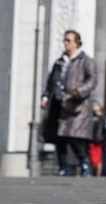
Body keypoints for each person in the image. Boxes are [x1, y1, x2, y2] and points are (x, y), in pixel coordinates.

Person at [41, 30, 96, 175]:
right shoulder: (60, 62)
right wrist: (46, 97)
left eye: (68, 40)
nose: (65, 43)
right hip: (59, 102)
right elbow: (51, 81)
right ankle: (63, 166)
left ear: (76, 42)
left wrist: (80, 91)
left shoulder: (85, 61)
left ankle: (83, 161)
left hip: (77, 105)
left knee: (74, 136)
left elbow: (92, 80)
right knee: (60, 136)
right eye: (64, 40)